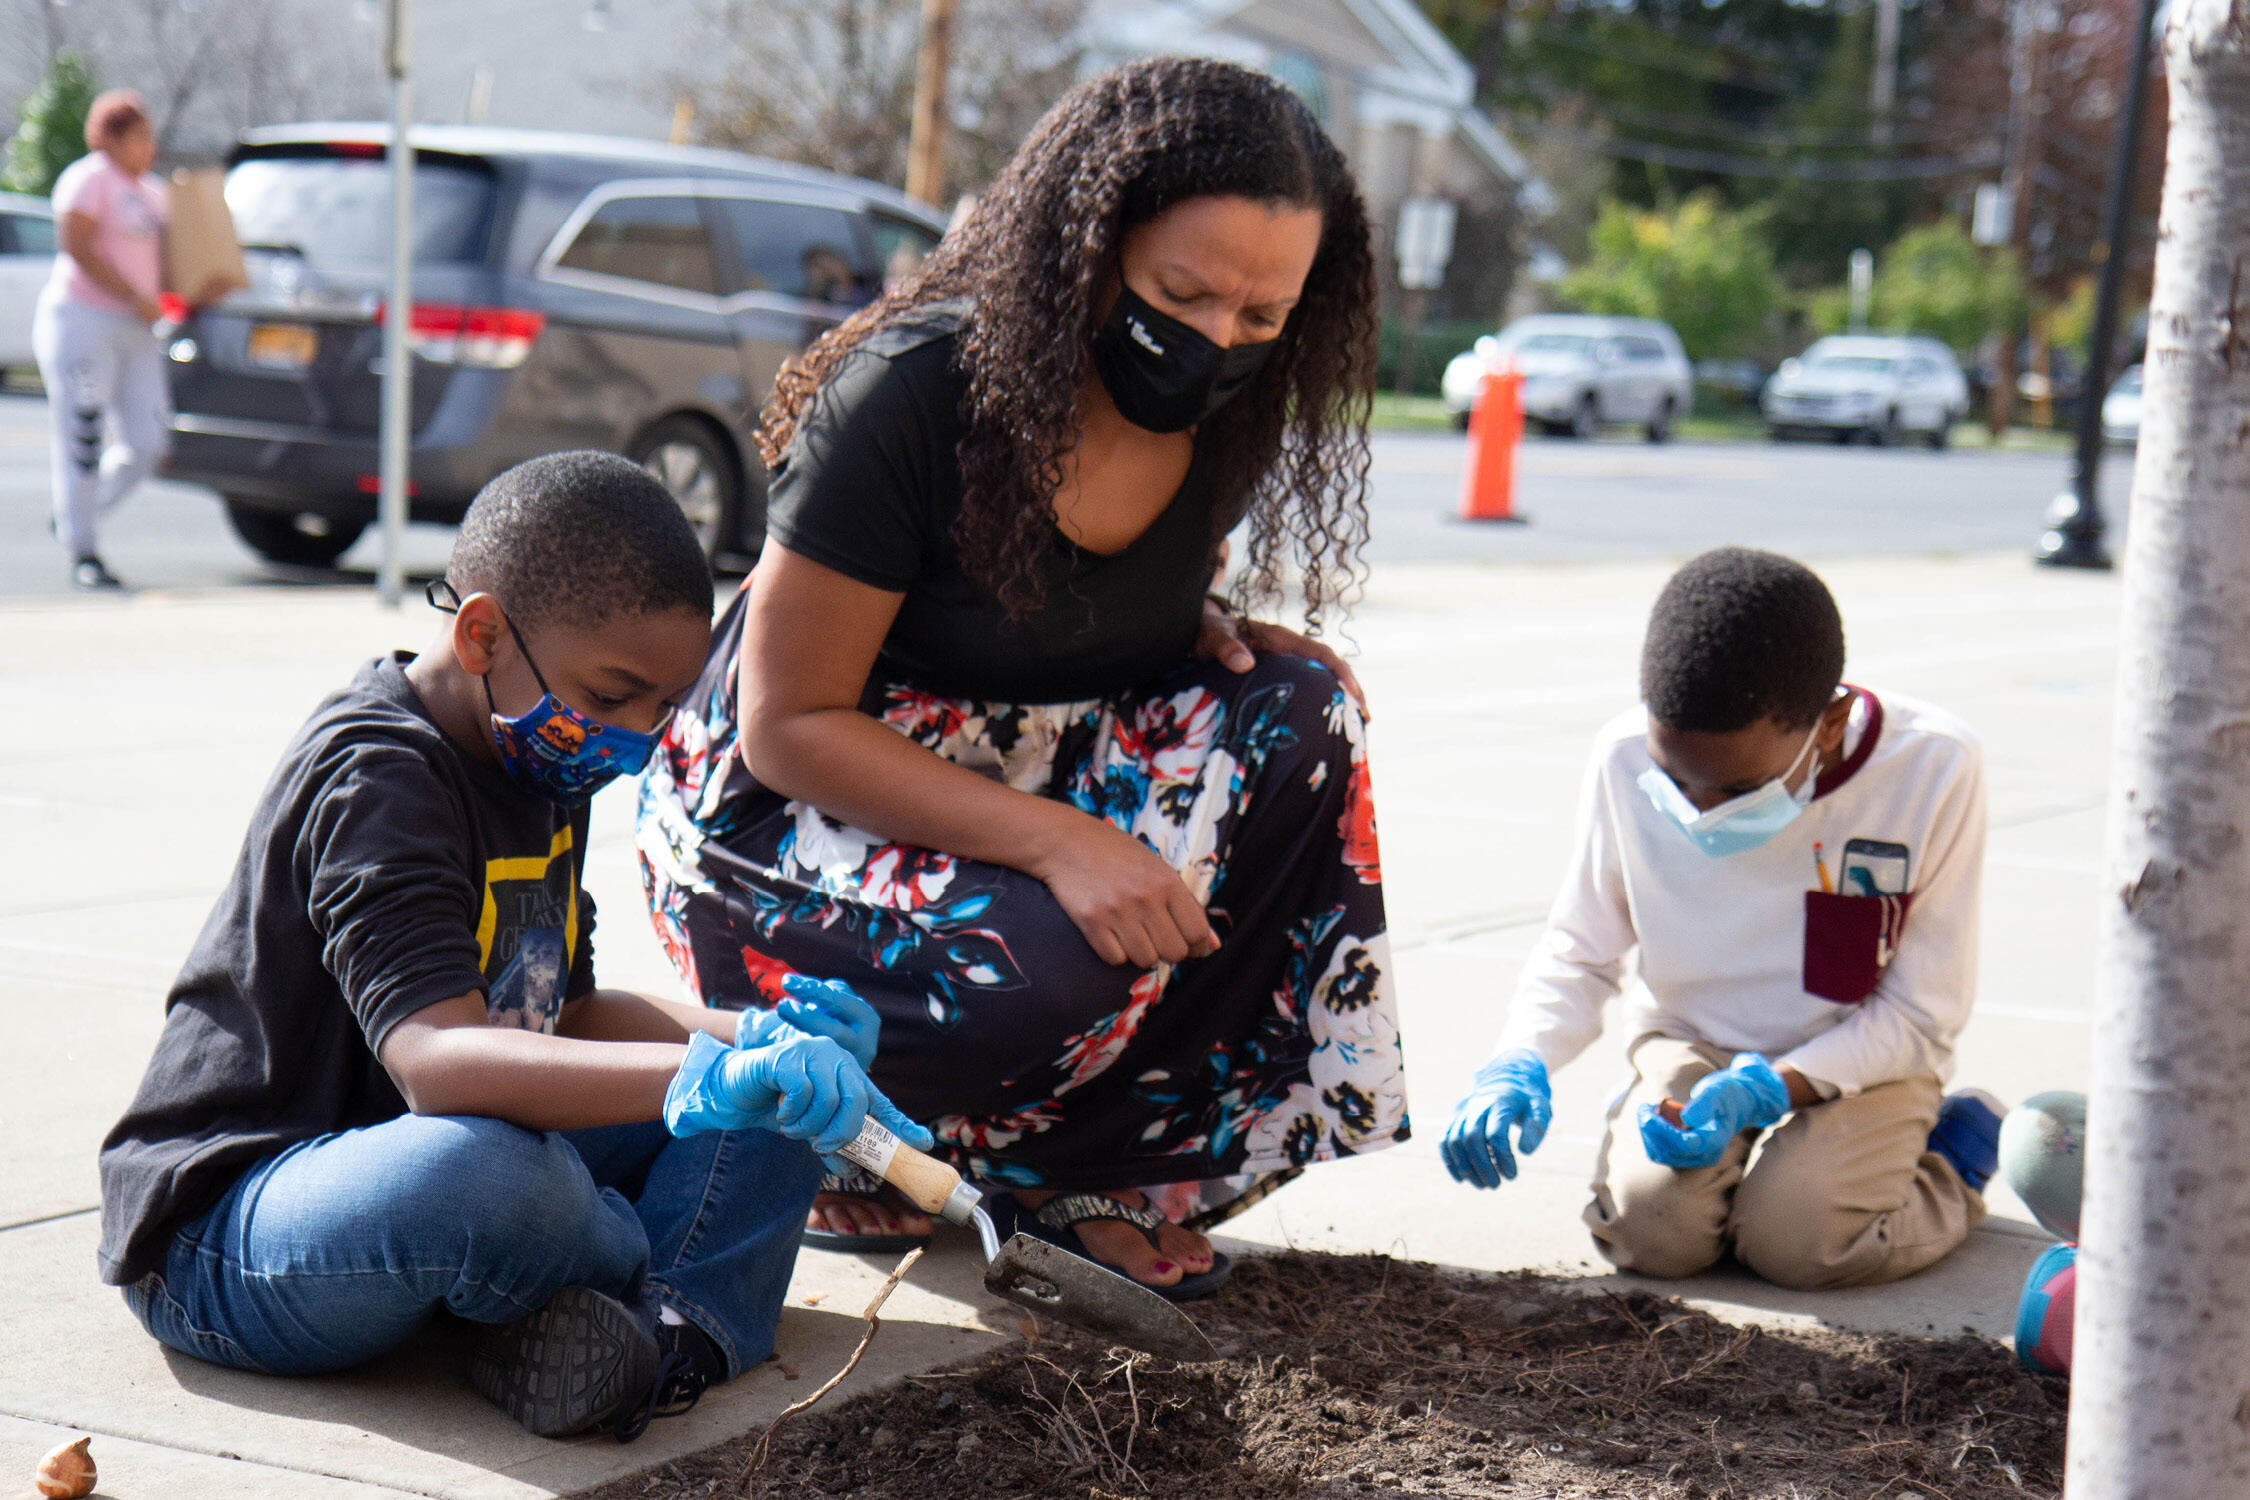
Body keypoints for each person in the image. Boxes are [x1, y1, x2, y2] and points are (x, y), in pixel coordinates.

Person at [637, 57, 1403, 1298]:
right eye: (1182, 293)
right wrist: (1060, 843)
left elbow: (1080, 617)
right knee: (1052, 960)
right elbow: (786, 726)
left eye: (1261, 321)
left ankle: (1085, 1164)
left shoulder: (1225, 417)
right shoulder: (913, 393)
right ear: (1088, 250)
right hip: (803, 815)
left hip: (1023, 777)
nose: (1217, 342)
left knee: (1305, 715)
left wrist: (1197, 624)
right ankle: (862, 1138)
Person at [97, 452, 929, 1442]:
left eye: (661, 708)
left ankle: (658, 1344)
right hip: (236, 1233)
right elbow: (439, 1065)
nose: (633, 736)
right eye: (612, 693)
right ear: (483, 632)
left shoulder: (536, 760)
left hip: (436, 1161)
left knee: (778, 1104)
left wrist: (760, 1038)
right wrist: (710, 1071)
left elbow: (567, 1015)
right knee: (493, 1175)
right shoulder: (378, 777)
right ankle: (659, 1281)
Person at [1441, 547, 2003, 1291]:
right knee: (1654, 1235)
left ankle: (1953, 1155)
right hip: (1692, 1039)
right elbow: (1581, 950)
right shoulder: (1621, 760)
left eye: (1739, 789)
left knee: (1800, 1244)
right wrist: (1519, 1063)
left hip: (1859, 1059)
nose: (1701, 813)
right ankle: (1712, 1160)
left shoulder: (1934, 769)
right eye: (1675, 779)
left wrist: (1772, 1090)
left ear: (1829, 725)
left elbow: (1919, 1014)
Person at [33, 90, 171, 591]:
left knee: (149, 440)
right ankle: (83, 547)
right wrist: (130, 294)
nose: (148, 146)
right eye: (139, 136)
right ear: (112, 137)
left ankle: (73, 514)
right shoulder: (89, 179)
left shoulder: (154, 192)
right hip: (84, 321)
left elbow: (174, 258)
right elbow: (76, 245)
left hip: (136, 328)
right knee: (84, 434)